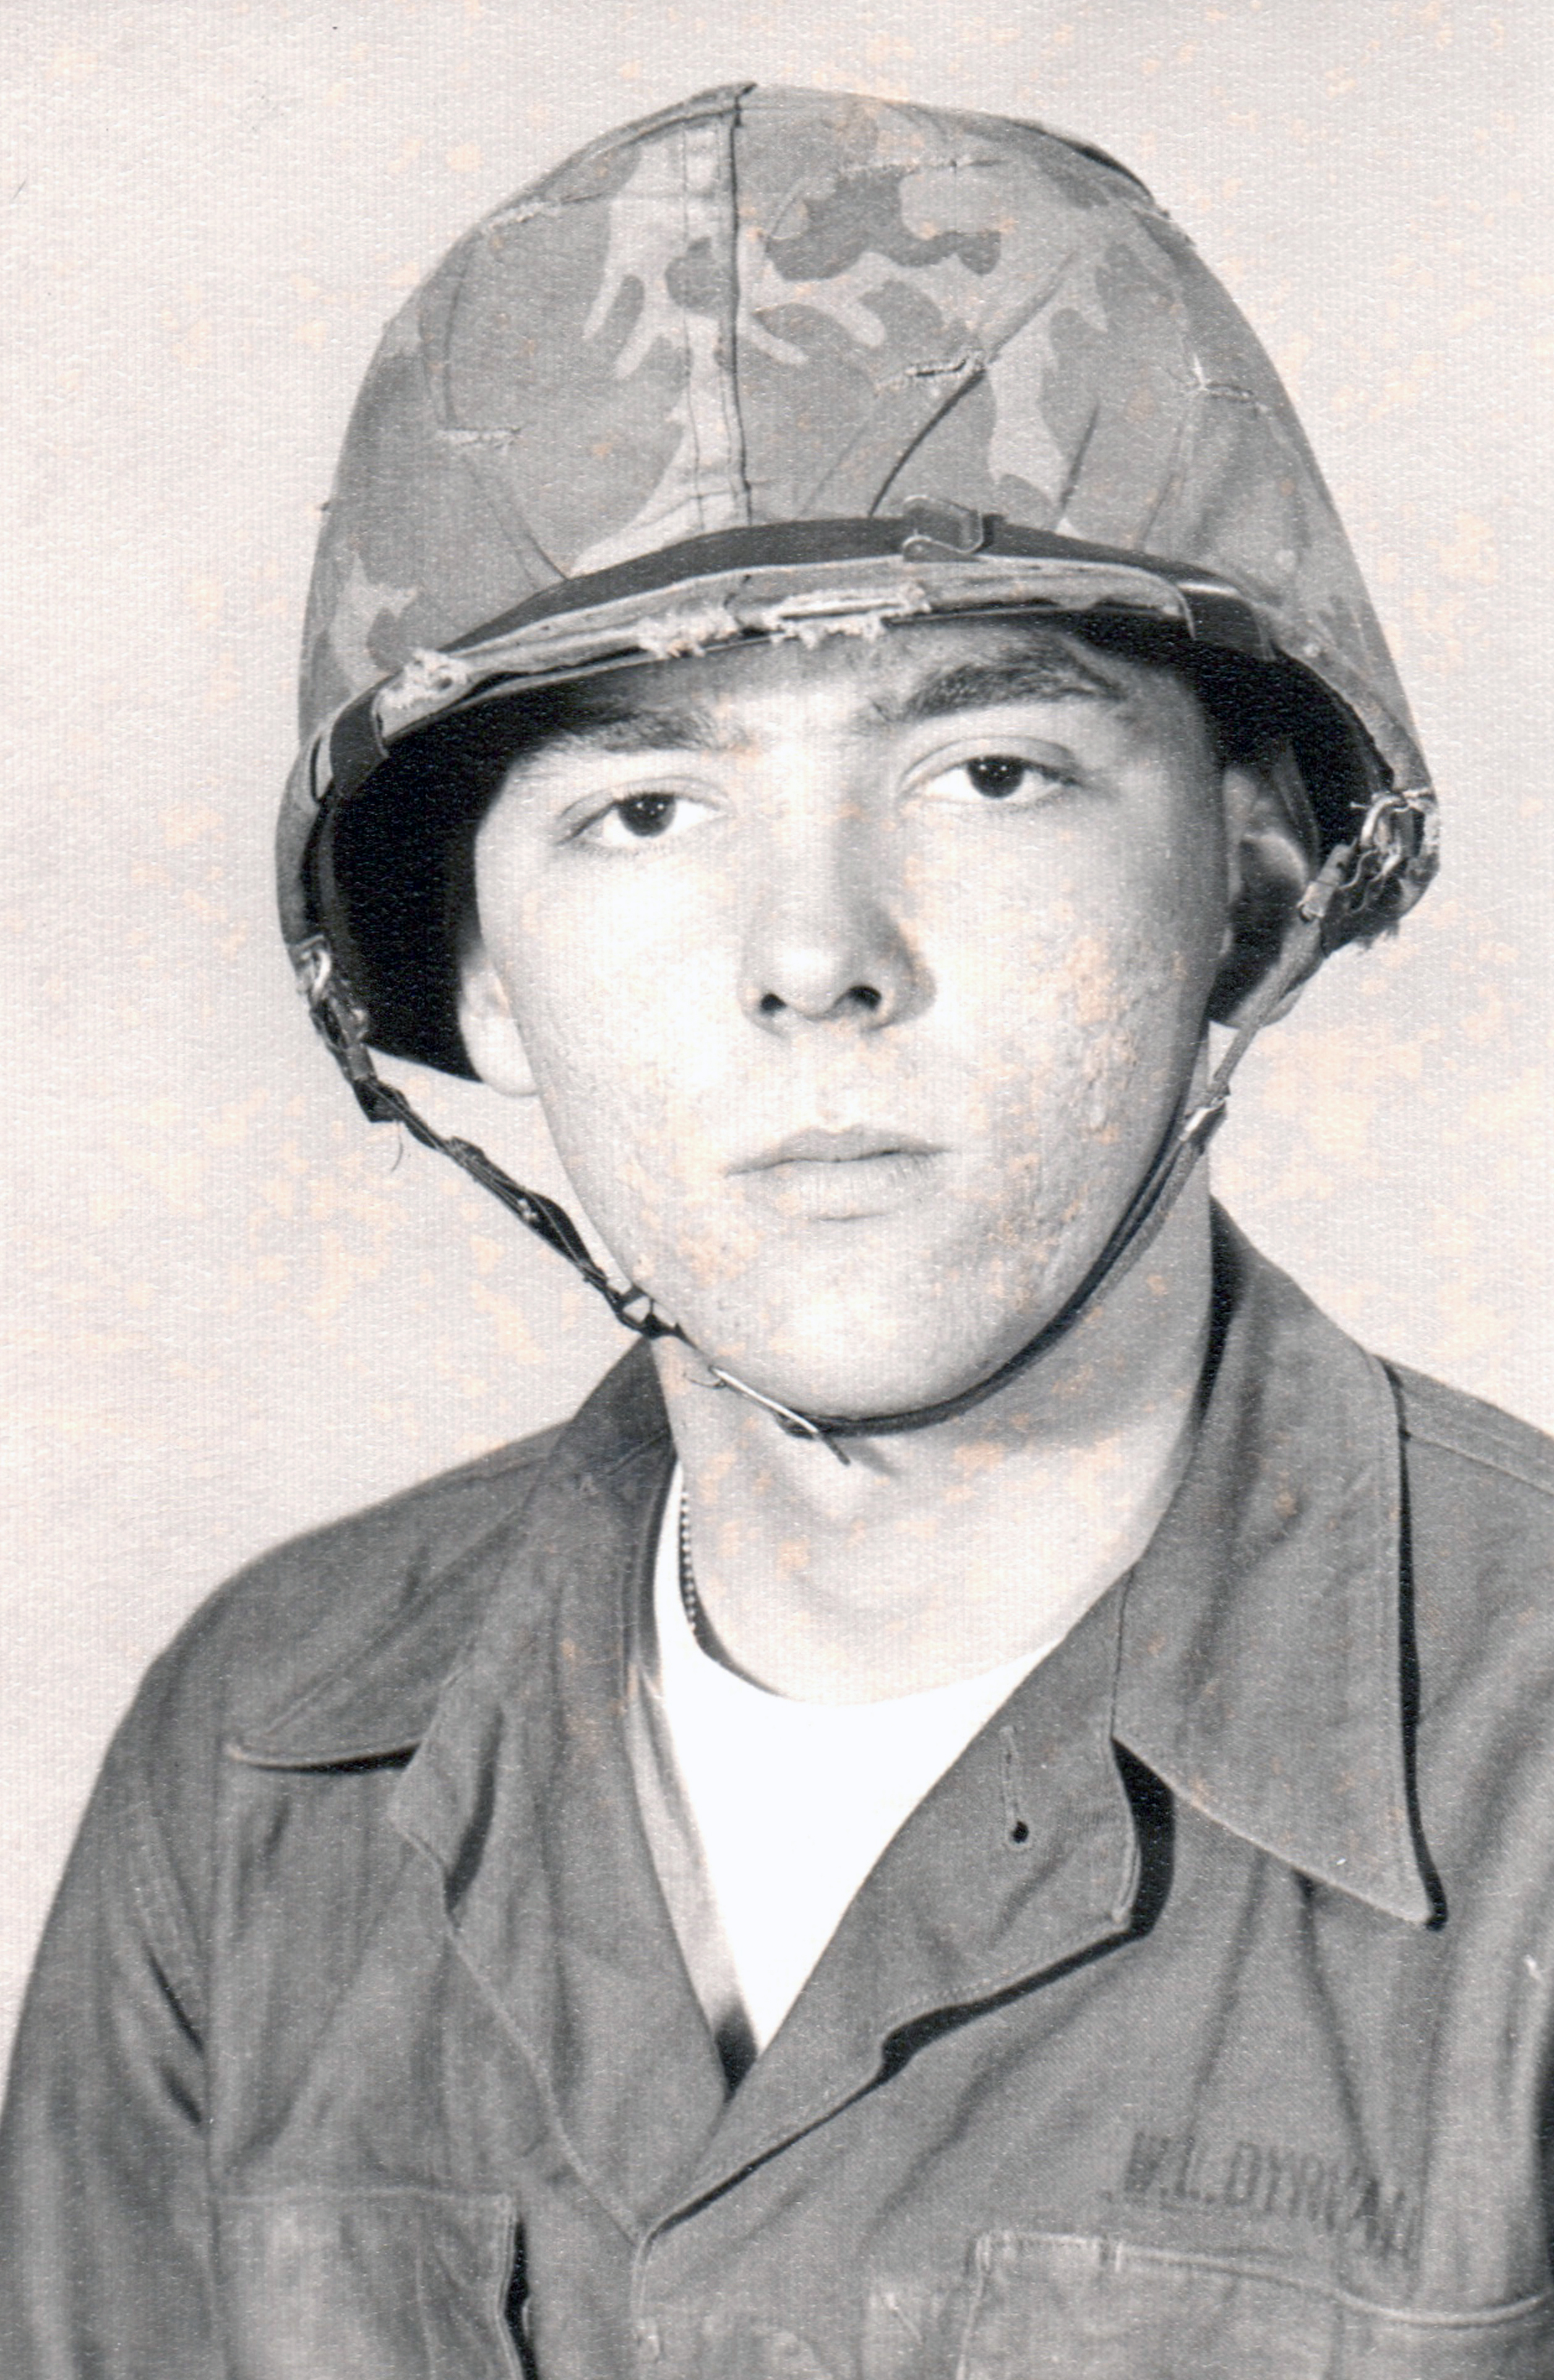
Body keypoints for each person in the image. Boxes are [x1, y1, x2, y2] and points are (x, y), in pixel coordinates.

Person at [2, 81, 1550, 2379]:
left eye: (990, 772)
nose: (814, 956)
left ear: (1250, 882)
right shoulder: (260, 1767)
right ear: (475, 978)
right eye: (643, 810)